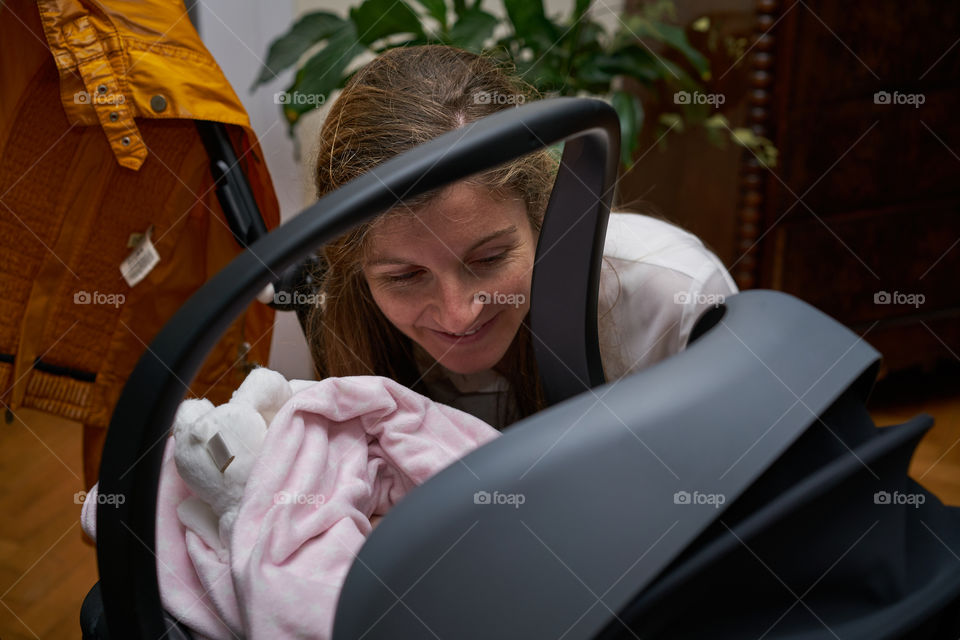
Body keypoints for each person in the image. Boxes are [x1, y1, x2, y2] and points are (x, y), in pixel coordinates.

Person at [306, 45, 737, 431]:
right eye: (404, 276)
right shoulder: (348, 325)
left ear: (541, 210)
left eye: (489, 258)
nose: (458, 316)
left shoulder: (674, 298)